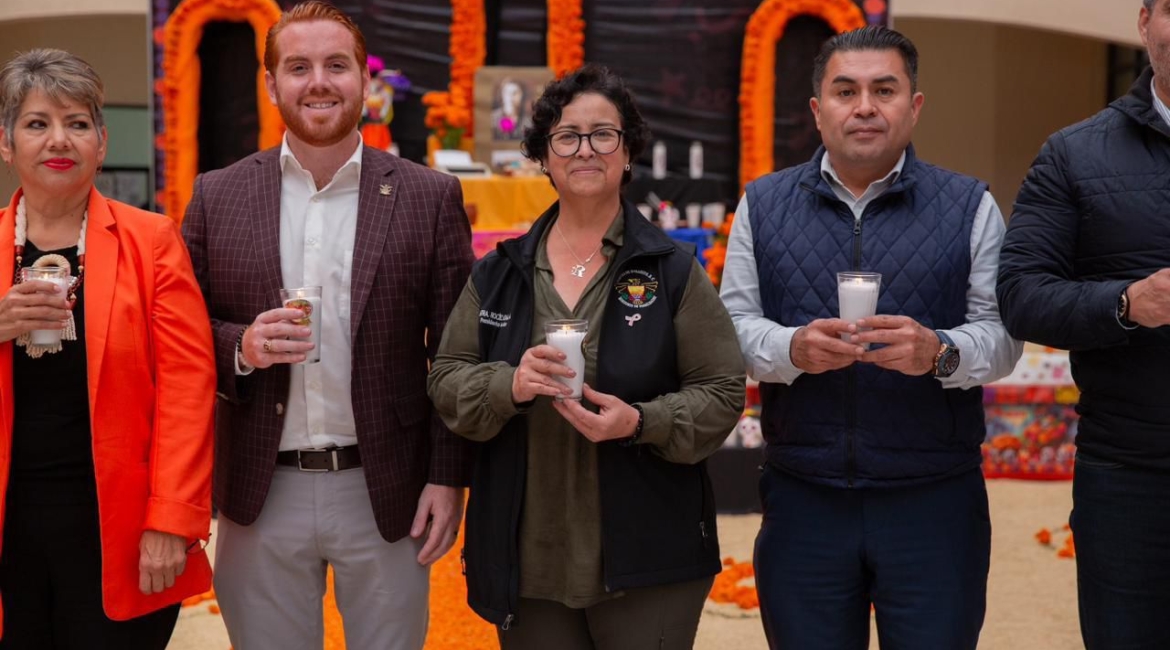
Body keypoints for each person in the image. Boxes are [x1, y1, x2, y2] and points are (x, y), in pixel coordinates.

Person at [180, 2, 475, 649]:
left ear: (365, 79)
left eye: (336, 65)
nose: (319, 82)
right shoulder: (217, 196)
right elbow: (182, 334)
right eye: (298, 67)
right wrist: (241, 346)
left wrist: (447, 476)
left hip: (386, 489)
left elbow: (459, 351)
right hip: (260, 490)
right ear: (270, 84)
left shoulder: (428, 197)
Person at [719, 26, 1021, 650]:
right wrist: (792, 349)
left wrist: (939, 353)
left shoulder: (970, 206)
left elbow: (1002, 336)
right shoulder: (763, 204)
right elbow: (733, 329)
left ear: (914, 106)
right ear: (817, 109)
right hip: (804, 495)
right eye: (845, 91)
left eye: (884, 90)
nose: (864, 107)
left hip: (934, 499)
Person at [427, 64, 745, 648]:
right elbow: (446, 379)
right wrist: (509, 385)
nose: (585, 149)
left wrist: (641, 422)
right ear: (543, 157)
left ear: (628, 153)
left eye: (604, 134)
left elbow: (722, 392)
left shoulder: (672, 271)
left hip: (650, 559)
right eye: (567, 136)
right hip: (528, 563)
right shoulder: (499, 273)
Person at [0, 48, 216, 648]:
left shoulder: (152, 241)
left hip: (118, 529)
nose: (58, 139)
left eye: (77, 123)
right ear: (6, 144)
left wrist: (171, 520)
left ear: (101, 142)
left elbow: (187, 391)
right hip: (7, 527)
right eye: (37, 123)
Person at [997, 2, 1170, 646]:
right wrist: (1126, 303)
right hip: (1130, 476)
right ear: (1145, 22)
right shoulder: (1073, 154)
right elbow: (1020, 294)